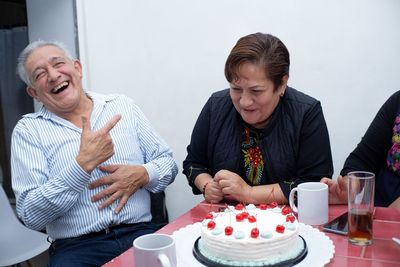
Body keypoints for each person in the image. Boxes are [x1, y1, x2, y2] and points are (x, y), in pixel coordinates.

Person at [11, 40, 178, 266]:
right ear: (34, 93)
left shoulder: (122, 106)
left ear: (77, 68)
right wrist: (82, 165)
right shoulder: (28, 131)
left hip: (141, 233)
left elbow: (168, 164)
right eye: (40, 73)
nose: (52, 75)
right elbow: (31, 214)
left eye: (58, 63)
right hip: (77, 248)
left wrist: (144, 174)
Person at [183, 33, 333, 204]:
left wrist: (249, 193)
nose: (244, 102)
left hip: (290, 222)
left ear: (282, 84)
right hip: (226, 221)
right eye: (236, 89)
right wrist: (207, 185)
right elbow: (194, 163)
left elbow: (314, 184)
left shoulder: (306, 113)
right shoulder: (216, 106)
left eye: (256, 91)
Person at [321, 91, 400, 209]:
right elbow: (363, 159)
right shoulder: (397, 101)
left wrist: (388, 217)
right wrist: (351, 187)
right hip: (372, 211)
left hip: (385, 217)